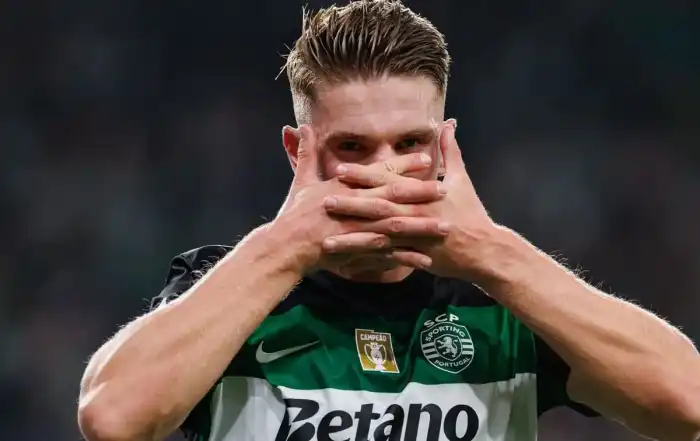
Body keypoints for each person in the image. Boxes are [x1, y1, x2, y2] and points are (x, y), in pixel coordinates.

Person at [77, 1, 700, 441]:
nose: (385, 172)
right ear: (298, 152)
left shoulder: (503, 307)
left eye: (410, 143)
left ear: (445, 147)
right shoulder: (231, 290)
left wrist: (491, 252)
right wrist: (282, 248)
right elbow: (112, 418)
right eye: (353, 147)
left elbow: (687, 405)